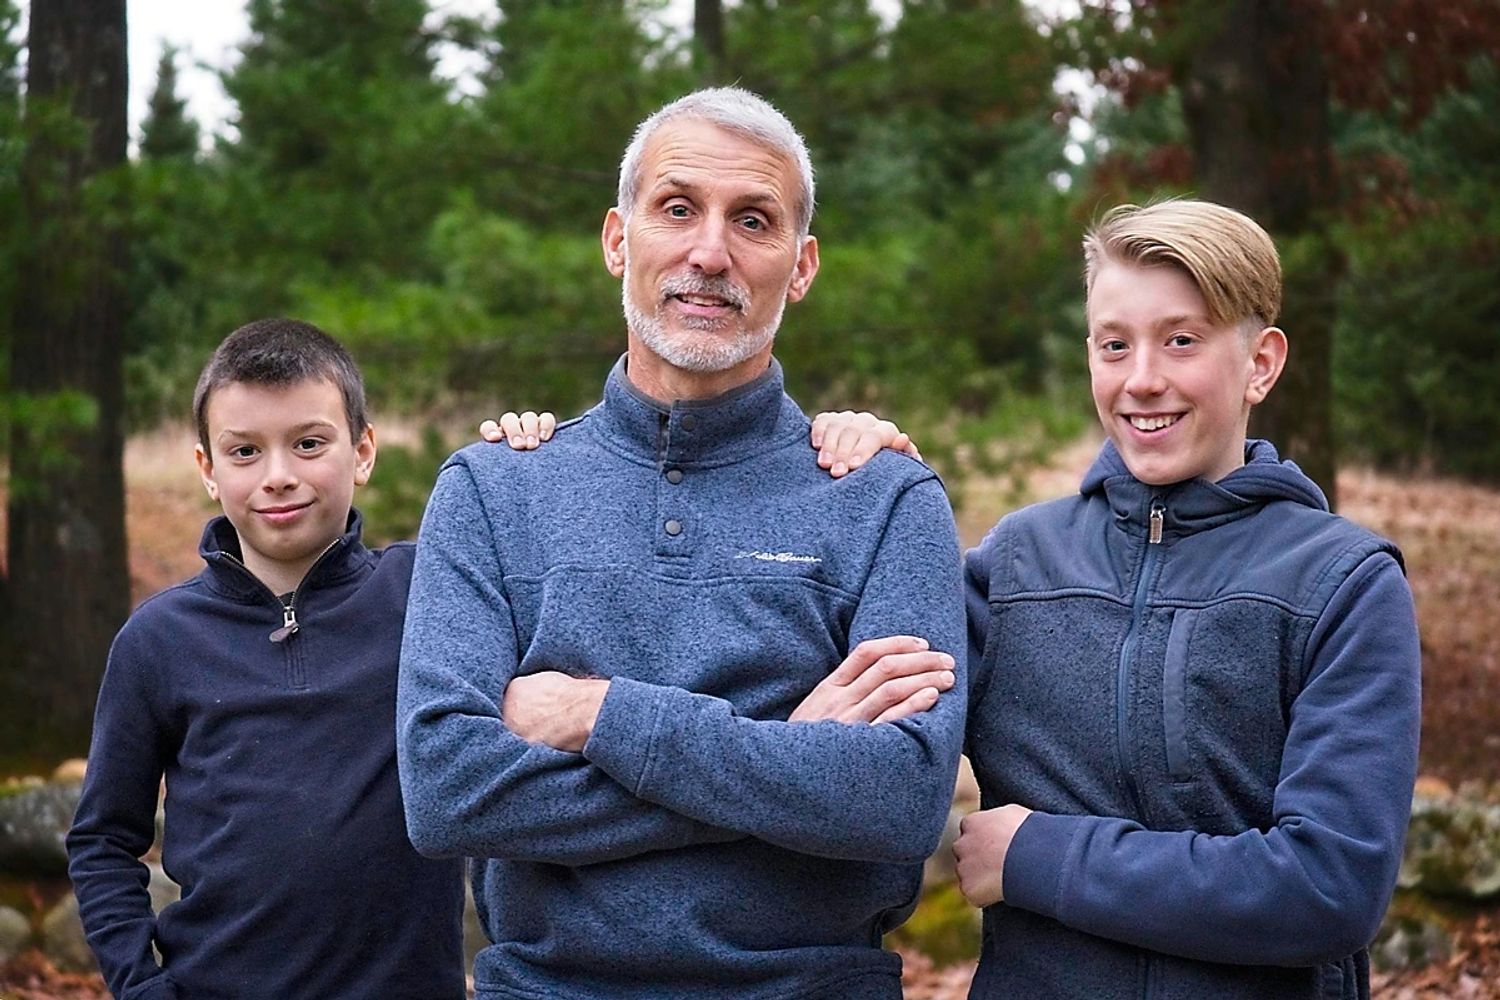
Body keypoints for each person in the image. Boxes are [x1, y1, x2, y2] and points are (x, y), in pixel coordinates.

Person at [396, 87, 967, 1000]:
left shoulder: (884, 498)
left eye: (753, 220)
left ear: (803, 265)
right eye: (677, 208)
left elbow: (895, 801)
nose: (710, 252)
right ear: (618, 239)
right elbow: (445, 790)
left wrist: (599, 716)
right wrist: (783, 753)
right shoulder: (495, 487)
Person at [810, 199, 1422, 999]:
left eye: (1181, 341)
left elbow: (1326, 889)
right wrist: (870, 493)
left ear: (1262, 364)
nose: (1141, 379)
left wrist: (1037, 856)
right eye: (1113, 345)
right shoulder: (1013, 567)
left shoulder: (1345, 584)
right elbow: (837, 720)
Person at [67, 319, 465, 1000]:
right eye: (245, 452)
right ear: (207, 470)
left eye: (309, 444)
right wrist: (141, 987)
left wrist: (528, 447)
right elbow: (102, 842)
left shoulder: (427, 596)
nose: (278, 477)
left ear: (363, 452)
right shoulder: (158, 640)